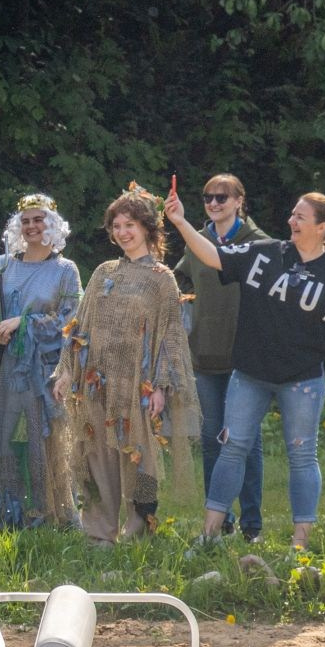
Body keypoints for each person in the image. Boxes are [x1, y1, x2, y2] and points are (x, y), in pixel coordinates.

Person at [165, 183, 325, 550]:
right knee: (232, 447)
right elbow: (214, 256)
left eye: (300, 217)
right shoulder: (265, 252)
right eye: (292, 214)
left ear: (322, 227)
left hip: (303, 380)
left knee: (302, 455)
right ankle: (208, 535)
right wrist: (180, 222)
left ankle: (300, 544)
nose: (291, 221)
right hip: (250, 374)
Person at [56, 188, 197, 542]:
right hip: (97, 384)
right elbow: (80, 327)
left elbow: (171, 338)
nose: (122, 232)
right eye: (116, 225)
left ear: (148, 228)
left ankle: (138, 533)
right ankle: (99, 535)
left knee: (140, 462)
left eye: (129, 224)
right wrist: (67, 371)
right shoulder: (104, 271)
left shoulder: (162, 278)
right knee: (96, 459)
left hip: (138, 388)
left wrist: (162, 386)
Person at [0, 193, 81, 529]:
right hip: (3, 368)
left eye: (39, 219)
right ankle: (2, 512)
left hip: (42, 371)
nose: (32, 226)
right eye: (26, 221)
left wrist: (23, 323)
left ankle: (46, 513)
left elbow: (71, 320)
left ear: (52, 225)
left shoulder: (65, 270)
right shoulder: (3, 266)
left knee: (41, 441)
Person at [176, 174, 265, 539]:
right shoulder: (197, 241)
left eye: (222, 197)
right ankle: (220, 522)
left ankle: (252, 524)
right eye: (208, 197)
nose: (214, 204)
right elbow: (181, 282)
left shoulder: (259, 244)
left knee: (246, 440)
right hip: (205, 355)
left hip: (246, 358)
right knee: (213, 437)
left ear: (239, 201)